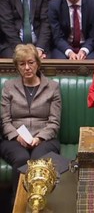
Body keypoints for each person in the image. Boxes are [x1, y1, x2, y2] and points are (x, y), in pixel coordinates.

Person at [0, 44, 61, 203]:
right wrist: (17, 136)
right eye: (22, 64)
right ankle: (18, 204)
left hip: (45, 139)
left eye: (31, 62)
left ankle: (39, 204)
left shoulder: (52, 87)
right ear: (17, 67)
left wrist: (39, 138)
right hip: (15, 139)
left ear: (38, 63)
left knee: (37, 161)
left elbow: (54, 122)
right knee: (21, 159)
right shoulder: (8, 87)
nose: (27, 67)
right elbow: (5, 121)